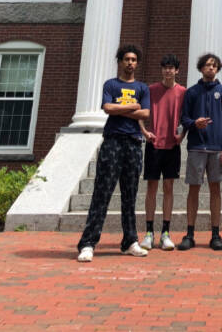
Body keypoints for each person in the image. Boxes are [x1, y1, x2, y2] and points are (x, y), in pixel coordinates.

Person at [77, 45, 150, 263]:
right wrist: (132, 107)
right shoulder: (111, 84)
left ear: (137, 63)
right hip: (112, 143)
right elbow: (106, 108)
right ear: (120, 61)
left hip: (134, 144)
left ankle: (130, 242)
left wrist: (121, 108)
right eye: (126, 59)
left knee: (130, 196)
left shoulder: (142, 87)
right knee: (102, 193)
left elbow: (145, 112)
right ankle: (88, 243)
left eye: (134, 59)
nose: (130, 63)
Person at [178, 53, 222, 251]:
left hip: (217, 149)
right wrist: (194, 123)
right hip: (196, 147)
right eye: (207, 65)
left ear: (218, 69)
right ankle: (190, 233)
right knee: (194, 189)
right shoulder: (192, 92)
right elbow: (184, 118)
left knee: (215, 190)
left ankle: (215, 234)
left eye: (214, 65)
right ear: (201, 68)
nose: (211, 68)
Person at [139, 54, 186, 251]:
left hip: (172, 146)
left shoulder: (183, 92)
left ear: (177, 70)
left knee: (168, 188)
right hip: (154, 144)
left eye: (171, 68)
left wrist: (182, 135)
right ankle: (149, 232)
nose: (168, 71)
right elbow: (139, 112)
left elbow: (188, 118)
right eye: (165, 67)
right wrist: (144, 131)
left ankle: (165, 232)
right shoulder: (151, 90)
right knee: (151, 188)